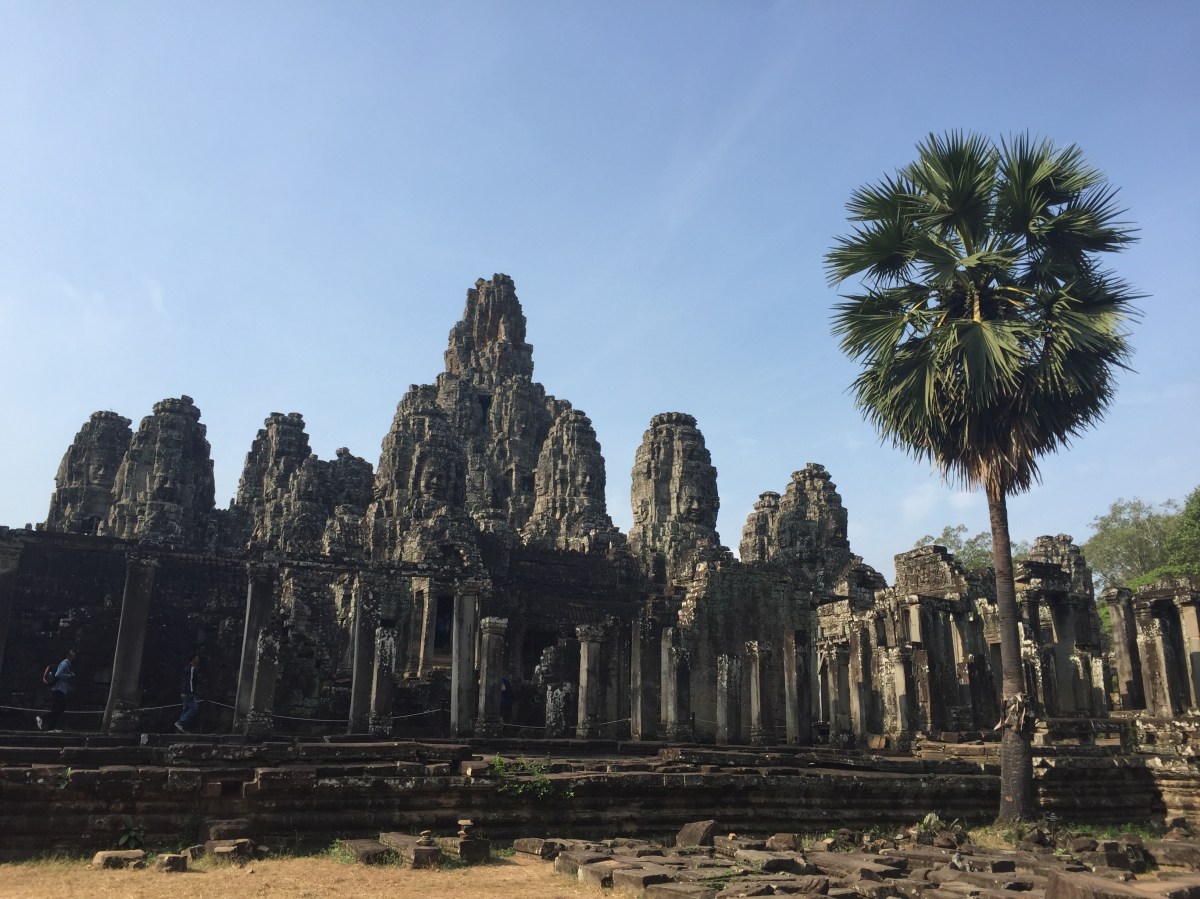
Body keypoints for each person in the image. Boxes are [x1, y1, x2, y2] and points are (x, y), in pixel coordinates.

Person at [36, 649, 76, 732]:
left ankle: (51, 728)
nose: (74, 654)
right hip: (58, 689)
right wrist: (70, 675)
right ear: (68, 654)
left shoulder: (67, 664)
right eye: (72, 652)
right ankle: (41, 718)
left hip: (61, 689)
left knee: (58, 709)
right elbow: (58, 674)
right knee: (58, 709)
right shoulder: (65, 663)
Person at [175, 653, 201, 733]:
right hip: (188, 692)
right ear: (193, 659)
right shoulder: (191, 668)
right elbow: (190, 680)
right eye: (197, 658)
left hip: (184, 692)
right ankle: (180, 722)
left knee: (186, 709)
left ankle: (179, 727)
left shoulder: (187, 668)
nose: (198, 659)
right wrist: (191, 692)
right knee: (194, 708)